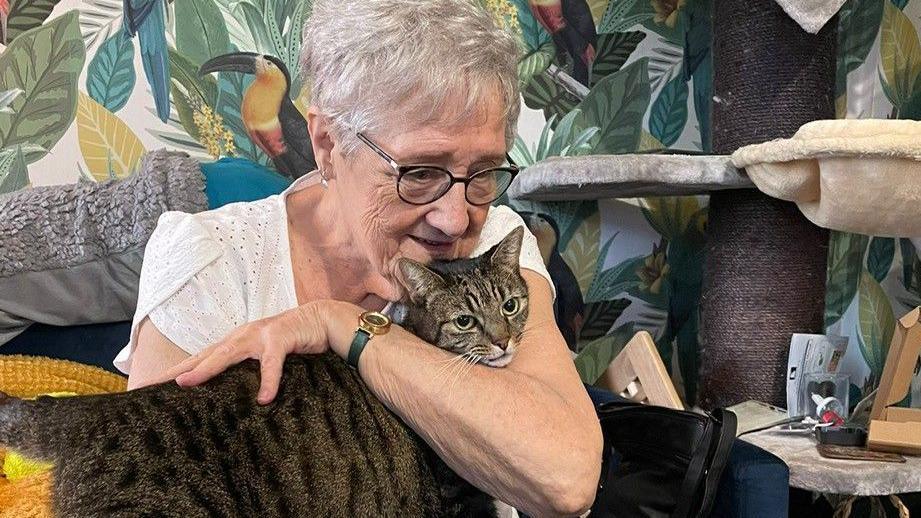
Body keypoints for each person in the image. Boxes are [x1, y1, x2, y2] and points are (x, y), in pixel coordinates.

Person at [114, 0, 602, 514]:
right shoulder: (211, 259)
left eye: (482, 171)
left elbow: (564, 479)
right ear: (327, 144)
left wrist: (347, 327)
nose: (457, 219)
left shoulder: (491, 241)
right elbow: (152, 490)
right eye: (419, 173)